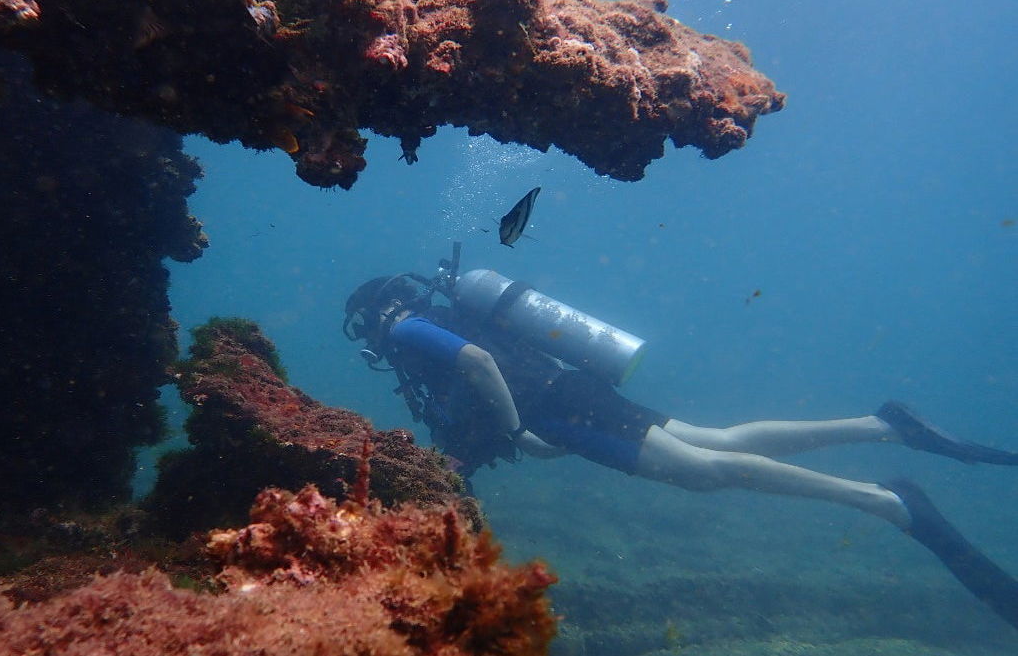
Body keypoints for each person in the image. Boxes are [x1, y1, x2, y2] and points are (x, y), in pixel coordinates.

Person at [343, 268, 1018, 629]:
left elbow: (479, 364)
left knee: (707, 471)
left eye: (361, 329)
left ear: (376, 314)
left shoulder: (407, 330)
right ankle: (884, 425)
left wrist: (518, 430)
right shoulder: (434, 313)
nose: (370, 343)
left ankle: (889, 503)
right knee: (715, 440)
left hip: (562, 408)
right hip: (573, 389)